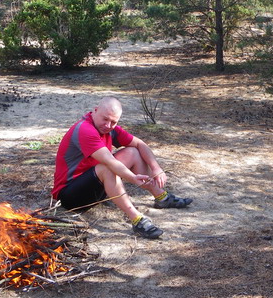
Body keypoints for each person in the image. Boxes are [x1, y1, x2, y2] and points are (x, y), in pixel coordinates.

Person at [52, 96, 192, 239]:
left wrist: (156, 168)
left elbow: (140, 144)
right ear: (95, 111)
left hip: (94, 187)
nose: (108, 125)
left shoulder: (110, 130)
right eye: (105, 119)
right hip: (69, 197)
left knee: (133, 152)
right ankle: (137, 220)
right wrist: (132, 178)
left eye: (113, 122)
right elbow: (110, 162)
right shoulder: (84, 130)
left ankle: (162, 197)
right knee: (107, 167)